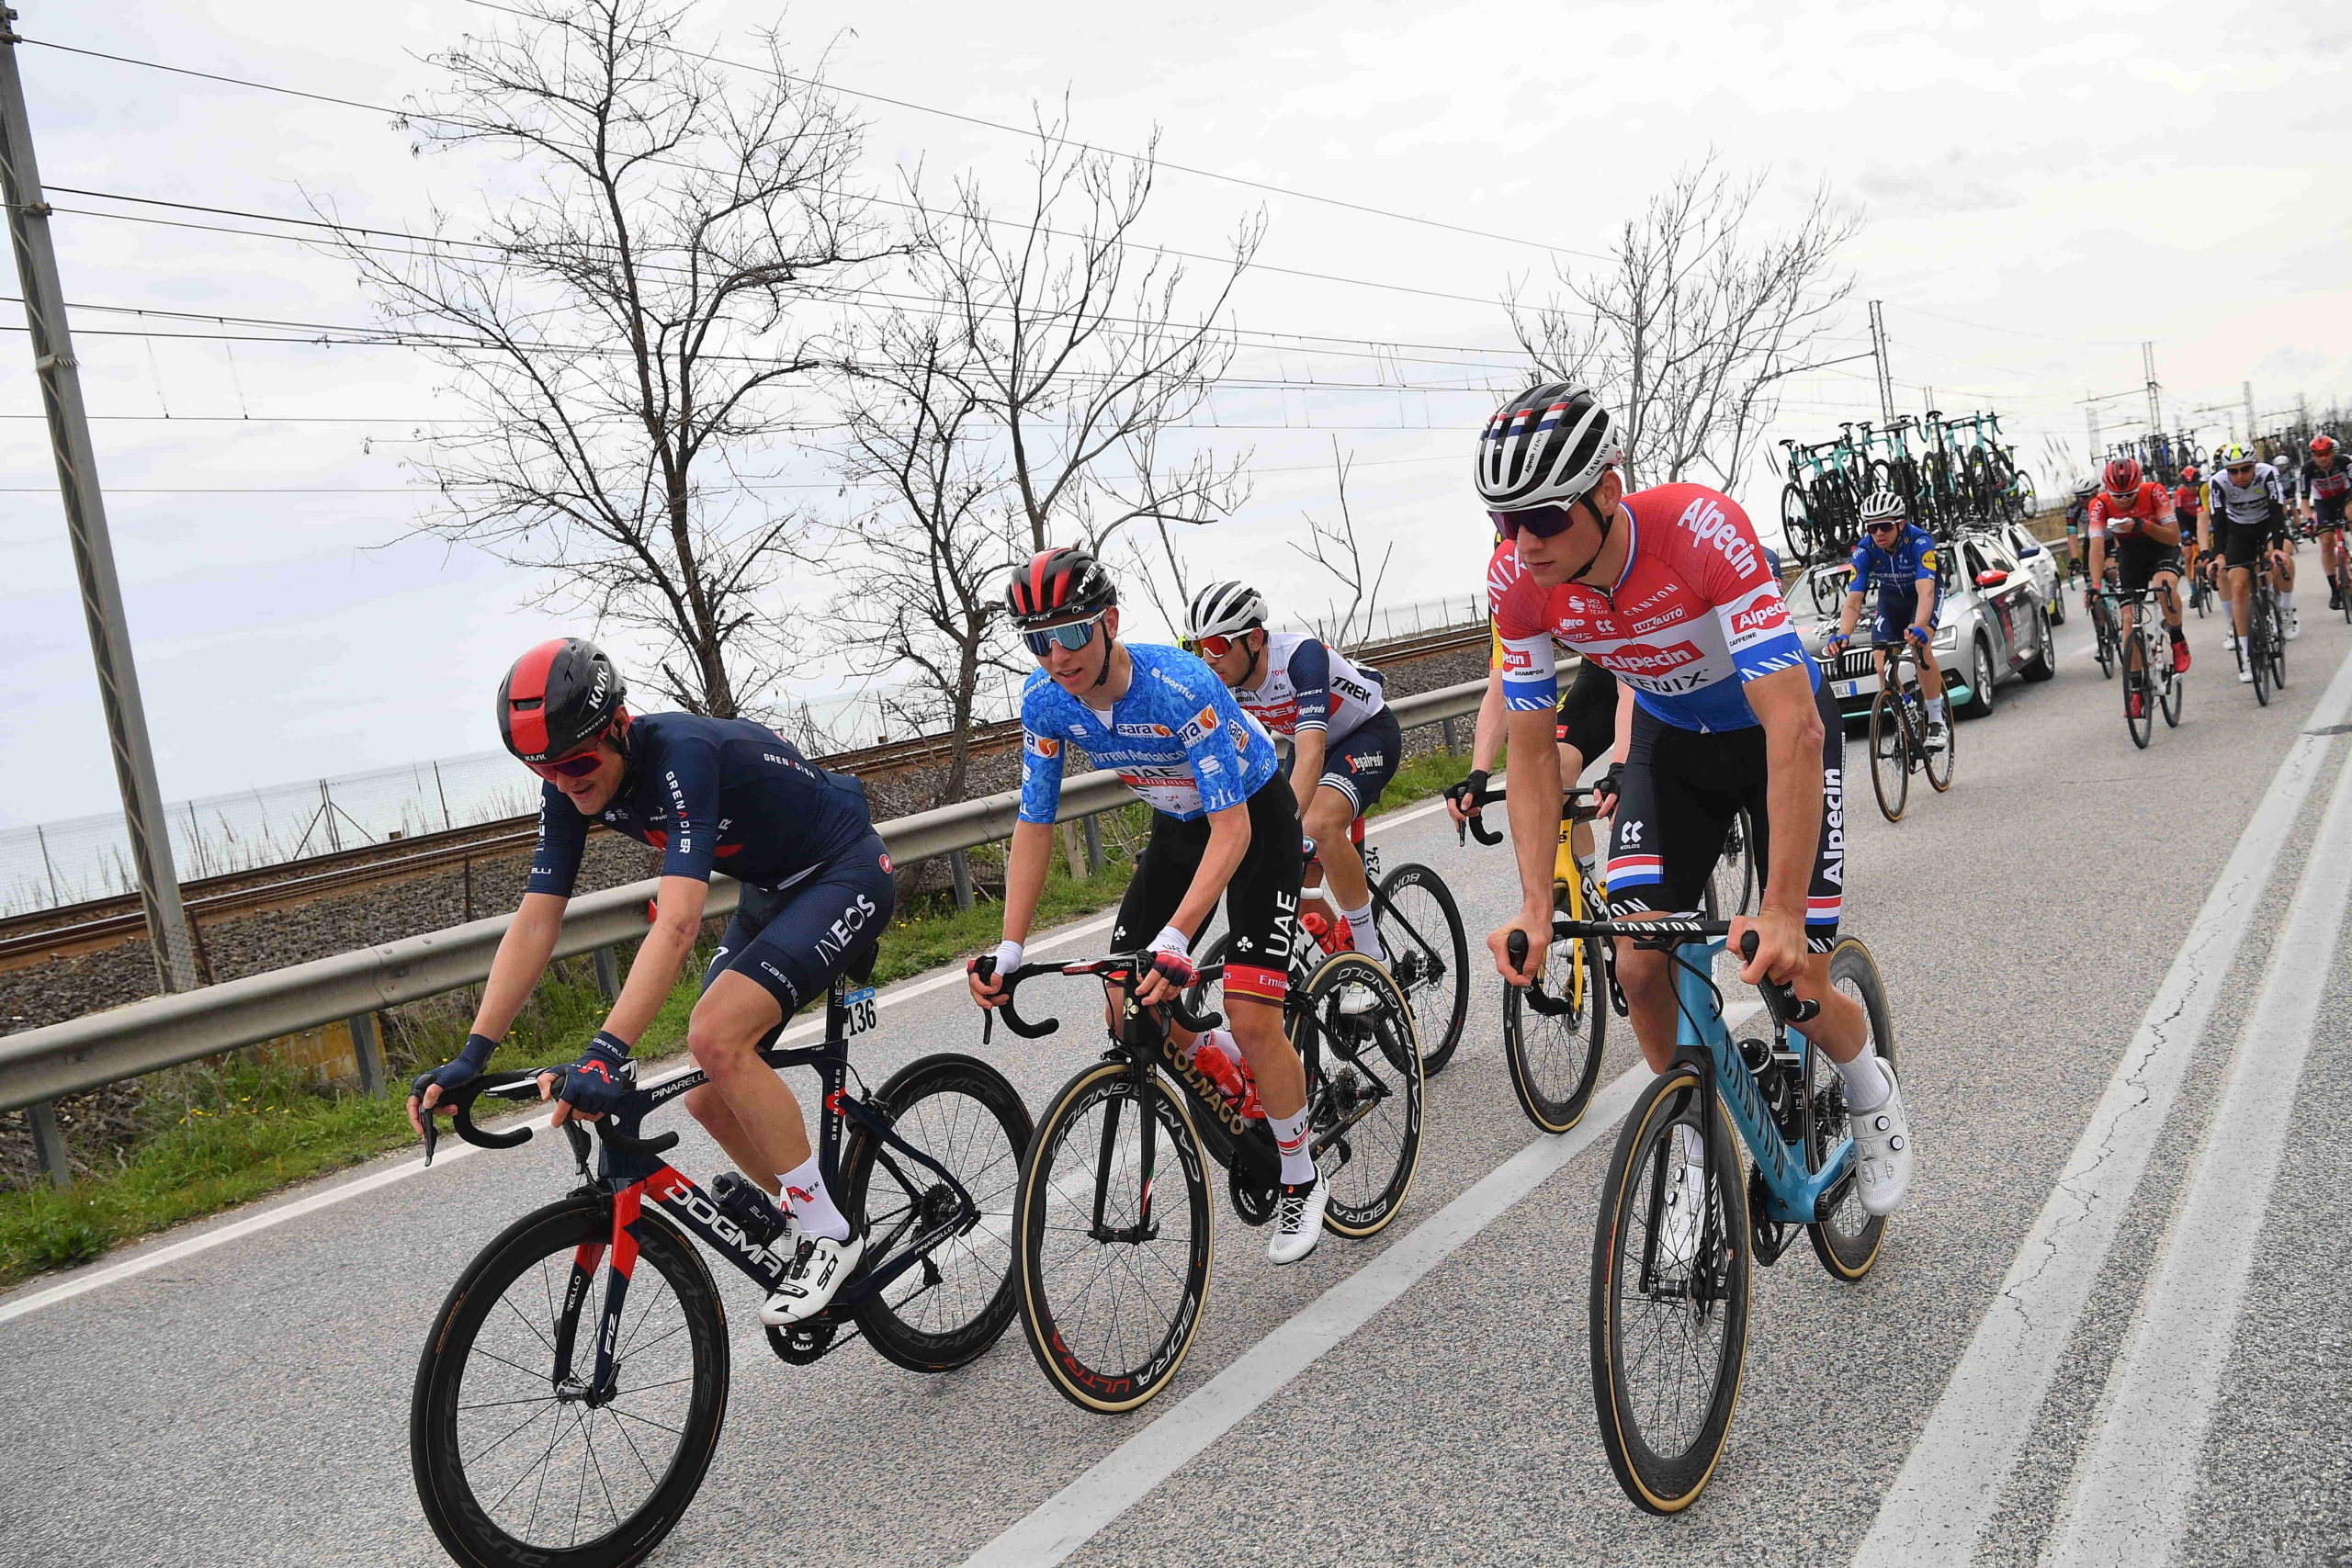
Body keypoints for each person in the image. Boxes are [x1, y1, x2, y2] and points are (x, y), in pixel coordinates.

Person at [1477, 384, 1913, 1235]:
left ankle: (1869, 1087)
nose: (1522, 543)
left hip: (1774, 733)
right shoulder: (1519, 583)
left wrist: (1782, 910)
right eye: (1503, 521)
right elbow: (1531, 749)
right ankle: (1691, 1151)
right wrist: (1536, 903)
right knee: (1639, 964)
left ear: (1607, 490)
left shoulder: (1701, 531)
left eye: (1543, 517)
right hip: (1673, 743)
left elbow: (1791, 723)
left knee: (1796, 975)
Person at [407, 638, 895, 1325]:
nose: (565, 782)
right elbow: (537, 923)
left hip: (845, 869)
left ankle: (831, 1235)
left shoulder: (680, 754)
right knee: (707, 1092)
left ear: (618, 726)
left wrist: (607, 1051)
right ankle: (807, 1215)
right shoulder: (568, 789)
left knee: (717, 1036)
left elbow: (678, 923)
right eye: (541, 769)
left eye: (576, 762)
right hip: (771, 888)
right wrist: (472, 1055)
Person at [968, 547, 1332, 1263]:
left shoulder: (1177, 683)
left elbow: (1232, 830)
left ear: (1109, 622)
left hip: (1253, 817)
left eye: (1071, 633)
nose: (1056, 656)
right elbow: (1035, 823)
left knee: (1253, 1013)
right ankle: (1229, 1075)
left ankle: (1300, 1172)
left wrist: (1176, 935)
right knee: (1122, 994)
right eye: (1038, 640)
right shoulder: (1045, 702)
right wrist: (1010, 947)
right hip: (1177, 821)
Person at [1182, 581, 1397, 973]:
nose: (1208, 660)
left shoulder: (1301, 656)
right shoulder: (1224, 687)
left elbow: (1313, 750)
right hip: (1307, 743)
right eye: (1197, 648)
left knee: (1315, 824)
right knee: (1288, 867)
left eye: (1216, 646)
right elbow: (1221, 767)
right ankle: (1340, 957)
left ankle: (1372, 955)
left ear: (1253, 639)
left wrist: (1283, 827)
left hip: (1365, 734)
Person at [1821, 490, 1951, 751]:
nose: (1878, 533)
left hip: (1921, 596)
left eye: (1884, 526)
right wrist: (1843, 634)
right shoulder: (1865, 550)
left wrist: (1921, 627)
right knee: (1881, 665)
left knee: (1920, 648)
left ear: (1900, 524)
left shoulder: (1919, 542)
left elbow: (1925, 591)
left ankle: (1937, 720)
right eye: (1872, 527)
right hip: (1890, 600)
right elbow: (1853, 599)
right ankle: (1906, 712)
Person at [2085, 455, 2190, 704]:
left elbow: (2174, 538)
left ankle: (2177, 639)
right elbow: (2097, 548)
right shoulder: (2099, 504)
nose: (2123, 500)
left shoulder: (2155, 492)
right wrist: (2095, 585)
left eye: (2129, 494)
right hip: (2131, 556)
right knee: (2129, 620)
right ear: (2106, 489)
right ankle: (2135, 691)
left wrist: (2144, 526)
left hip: (2161, 547)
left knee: (2163, 587)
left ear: (2139, 484)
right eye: (2117, 496)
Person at [2210, 443, 2295, 676]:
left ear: (2254, 466)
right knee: (2238, 586)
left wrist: (2276, 549)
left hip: (2268, 526)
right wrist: (2218, 555)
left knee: (2283, 560)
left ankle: (2286, 612)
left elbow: (2277, 512)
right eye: (2233, 471)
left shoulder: (2268, 473)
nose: (2239, 476)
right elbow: (2217, 521)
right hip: (2239, 531)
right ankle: (2247, 655)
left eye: (2245, 469)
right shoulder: (2218, 482)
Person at [2301, 435, 2350, 609]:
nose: (2323, 458)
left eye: (2326, 453)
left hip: (2346, 497)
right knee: (2327, 542)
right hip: (2324, 504)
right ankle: (2335, 591)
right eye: (2318, 454)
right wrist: (2309, 520)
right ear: (2313, 455)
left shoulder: (2344, 462)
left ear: (2332, 452)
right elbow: (2305, 501)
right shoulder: (2307, 469)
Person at [2174, 464, 2206, 591]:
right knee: (2187, 555)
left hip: (2201, 519)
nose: (2192, 488)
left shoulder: (2203, 490)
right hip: (2187, 521)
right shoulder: (2179, 494)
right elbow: (2179, 515)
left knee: (2206, 549)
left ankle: (2206, 577)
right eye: (2188, 486)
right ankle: (2193, 589)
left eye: (2194, 485)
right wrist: (2185, 532)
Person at [2063, 480, 2098, 583]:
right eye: (2077, 497)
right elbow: (2072, 535)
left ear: (2095, 494)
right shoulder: (2073, 509)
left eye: (2084, 497)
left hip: (2110, 542)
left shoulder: (2105, 503)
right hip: (2091, 543)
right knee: (2090, 584)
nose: (2081, 500)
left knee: (2112, 572)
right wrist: (2074, 559)